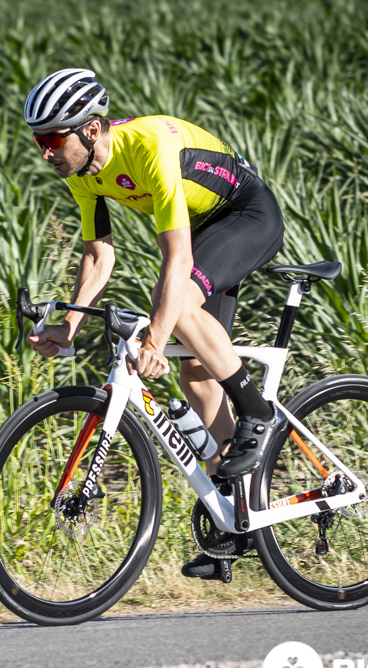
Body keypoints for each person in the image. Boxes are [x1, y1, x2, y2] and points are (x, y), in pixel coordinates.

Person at [23, 68, 287, 580]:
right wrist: (69, 327)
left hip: (246, 215)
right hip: (206, 224)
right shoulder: (82, 172)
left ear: (91, 130)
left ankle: (258, 412)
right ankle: (238, 518)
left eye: (53, 139)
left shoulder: (148, 148)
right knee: (196, 376)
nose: (46, 152)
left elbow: (178, 257)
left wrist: (155, 340)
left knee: (177, 307)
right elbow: (99, 256)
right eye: (39, 141)